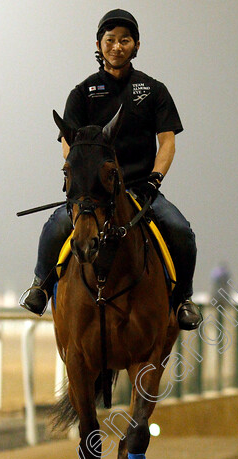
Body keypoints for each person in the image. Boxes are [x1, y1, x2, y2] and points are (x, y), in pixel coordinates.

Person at [19, 9, 201, 330]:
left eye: (125, 41)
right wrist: (81, 179)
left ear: (137, 46)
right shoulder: (82, 92)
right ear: (99, 44)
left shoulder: (153, 90)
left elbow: (167, 141)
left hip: (142, 188)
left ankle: (184, 298)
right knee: (55, 226)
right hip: (95, 192)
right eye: (110, 40)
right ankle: (40, 287)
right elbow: (69, 142)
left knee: (180, 230)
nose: (117, 46)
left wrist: (155, 179)